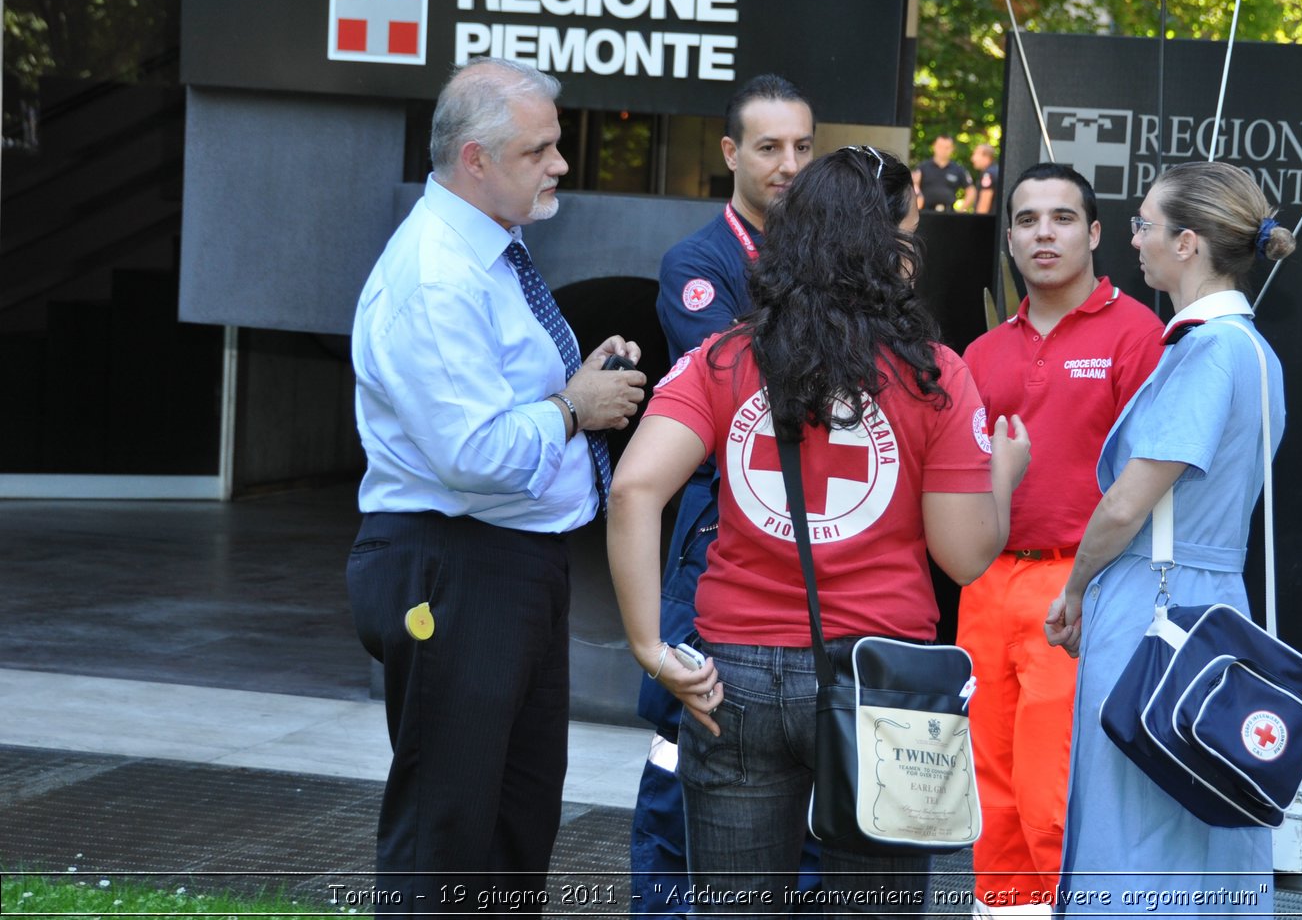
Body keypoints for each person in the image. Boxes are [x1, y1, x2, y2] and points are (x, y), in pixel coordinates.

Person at [608, 146, 1031, 913]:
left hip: (729, 674)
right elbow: (964, 556)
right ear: (886, 247)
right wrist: (1004, 471)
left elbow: (635, 487)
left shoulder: (723, 357)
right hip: (881, 679)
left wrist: (650, 648)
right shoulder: (934, 372)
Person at [345, 58, 648, 915]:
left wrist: (572, 390)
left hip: (508, 567)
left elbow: (493, 406)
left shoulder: (489, 248)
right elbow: (472, 452)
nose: (560, 164)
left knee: (514, 823)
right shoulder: (438, 275)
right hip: (457, 569)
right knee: (448, 833)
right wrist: (572, 406)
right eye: (539, 150)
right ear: (475, 159)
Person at [1043, 160, 1296, 916]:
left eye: (1145, 225)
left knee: (1137, 823)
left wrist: (1077, 585)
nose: (1136, 239)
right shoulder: (1252, 351)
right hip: (1214, 601)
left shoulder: (1208, 351)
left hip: (1157, 605)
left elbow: (1127, 504)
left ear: (1187, 243)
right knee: (1198, 813)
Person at [632, 74, 816, 917]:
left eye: (802, 147)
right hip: (718, 549)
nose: (788, 165)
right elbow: (758, 388)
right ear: (731, 154)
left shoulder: (816, 256)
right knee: (685, 759)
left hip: (805, 558)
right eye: (770, 147)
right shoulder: (698, 265)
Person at [958, 164, 1162, 917]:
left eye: (1062, 217)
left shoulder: (1137, 334)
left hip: (1079, 587)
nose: (1044, 232)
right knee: (991, 793)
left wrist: (1087, 584)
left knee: (1054, 795)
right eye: (1027, 219)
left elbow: (1148, 483)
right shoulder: (982, 355)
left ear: (1096, 233)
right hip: (985, 581)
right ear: (1009, 237)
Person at [914, 133, 975, 212]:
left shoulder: (958, 169)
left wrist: (961, 210)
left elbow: (971, 190)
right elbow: (913, 189)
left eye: (947, 148)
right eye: (940, 147)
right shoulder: (922, 167)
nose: (943, 150)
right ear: (934, 146)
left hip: (948, 213)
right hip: (925, 212)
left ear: (952, 149)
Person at [971, 144, 1001, 215]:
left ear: (986, 157)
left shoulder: (988, 175)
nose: (972, 159)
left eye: (975, 154)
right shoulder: (996, 171)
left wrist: (978, 223)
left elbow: (984, 204)